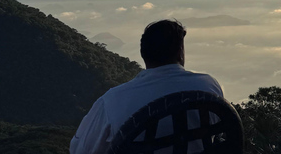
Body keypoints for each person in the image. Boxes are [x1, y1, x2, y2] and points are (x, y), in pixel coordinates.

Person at [70, 19, 223, 154]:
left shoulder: (113, 101)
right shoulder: (208, 86)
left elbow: (81, 150)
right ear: (180, 53)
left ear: (144, 54)